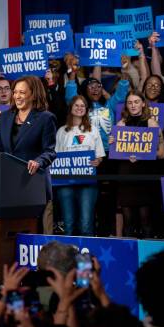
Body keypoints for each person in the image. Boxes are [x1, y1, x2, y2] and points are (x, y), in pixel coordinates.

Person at [0, 75, 57, 221]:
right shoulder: (5, 117)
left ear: (33, 94)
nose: (16, 96)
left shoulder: (45, 118)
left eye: (22, 92)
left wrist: (38, 162)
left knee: (35, 234)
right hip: (9, 185)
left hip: (34, 184)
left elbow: (50, 151)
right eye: (15, 92)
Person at [113, 91, 164, 237]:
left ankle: (147, 258)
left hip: (144, 177)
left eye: (136, 102)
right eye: (130, 103)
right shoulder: (121, 125)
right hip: (126, 177)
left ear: (143, 103)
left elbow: (162, 153)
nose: (133, 105)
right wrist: (114, 144)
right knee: (128, 222)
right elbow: (114, 152)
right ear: (126, 106)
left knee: (146, 222)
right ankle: (127, 258)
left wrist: (142, 155)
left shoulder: (151, 123)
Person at [55, 96, 105, 236]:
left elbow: (99, 155)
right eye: (76, 105)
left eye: (83, 106)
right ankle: (68, 257)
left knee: (86, 223)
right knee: (69, 224)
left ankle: (87, 257)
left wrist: (98, 161)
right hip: (65, 182)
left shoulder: (93, 130)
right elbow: (56, 157)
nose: (79, 108)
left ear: (87, 109)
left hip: (87, 181)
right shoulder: (61, 131)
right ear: (71, 108)